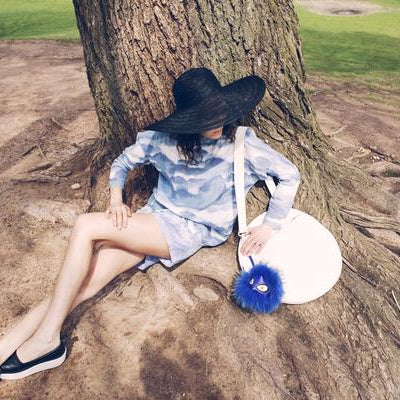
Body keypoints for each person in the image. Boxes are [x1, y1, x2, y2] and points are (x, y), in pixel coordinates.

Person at [0, 67, 300, 380]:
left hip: (188, 229)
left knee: (86, 226)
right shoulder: (161, 141)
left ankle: (47, 339)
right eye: (206, 117)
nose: (216, 124)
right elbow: (121, 163)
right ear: (190, 118)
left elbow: (290, 174)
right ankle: (10, 344)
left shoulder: (242, 145)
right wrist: (116, 199)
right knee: (84, 281)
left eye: (220, 114)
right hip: (152, 220)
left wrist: (271, 225)